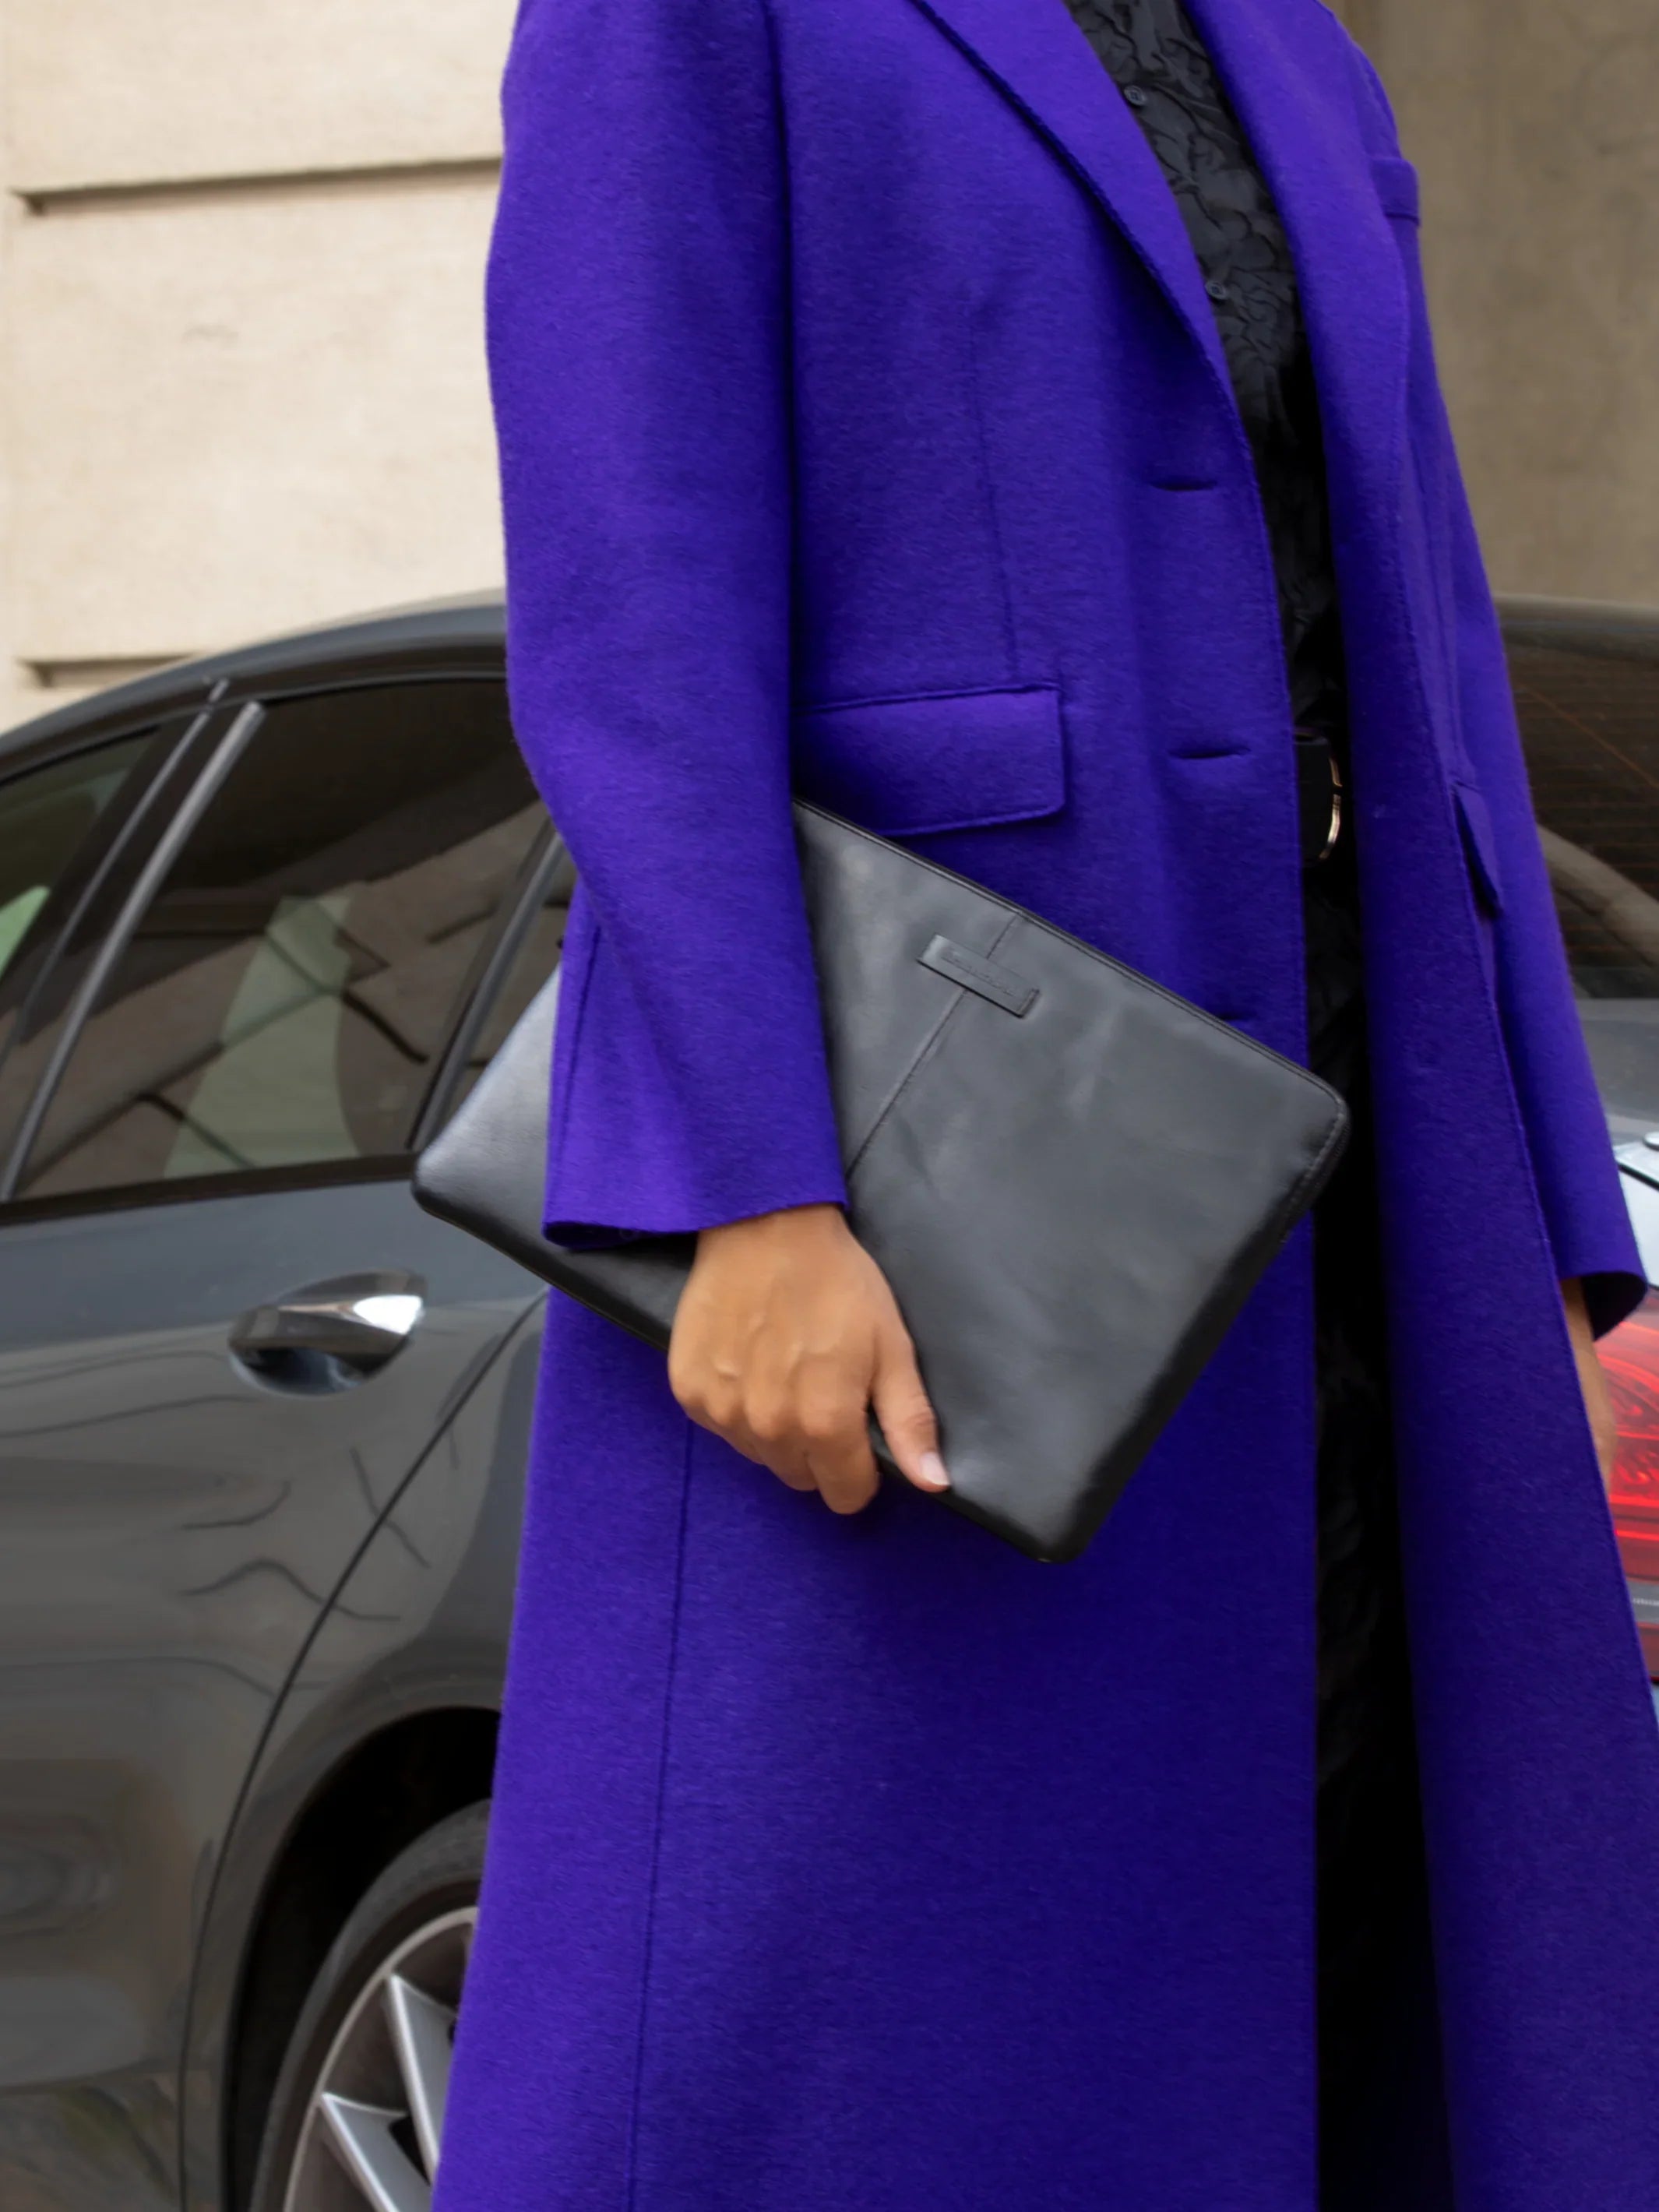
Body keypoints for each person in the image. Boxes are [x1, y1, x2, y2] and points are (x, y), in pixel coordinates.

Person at [433, 1, 1659, 2204]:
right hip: (945, 1207)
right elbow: (634, 621)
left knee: (1379, 1992)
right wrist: (746, 1185)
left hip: (1370, 1211)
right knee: (905, 2053)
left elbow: (1437, 669)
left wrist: (1554, 1254)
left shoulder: (1287, 42)